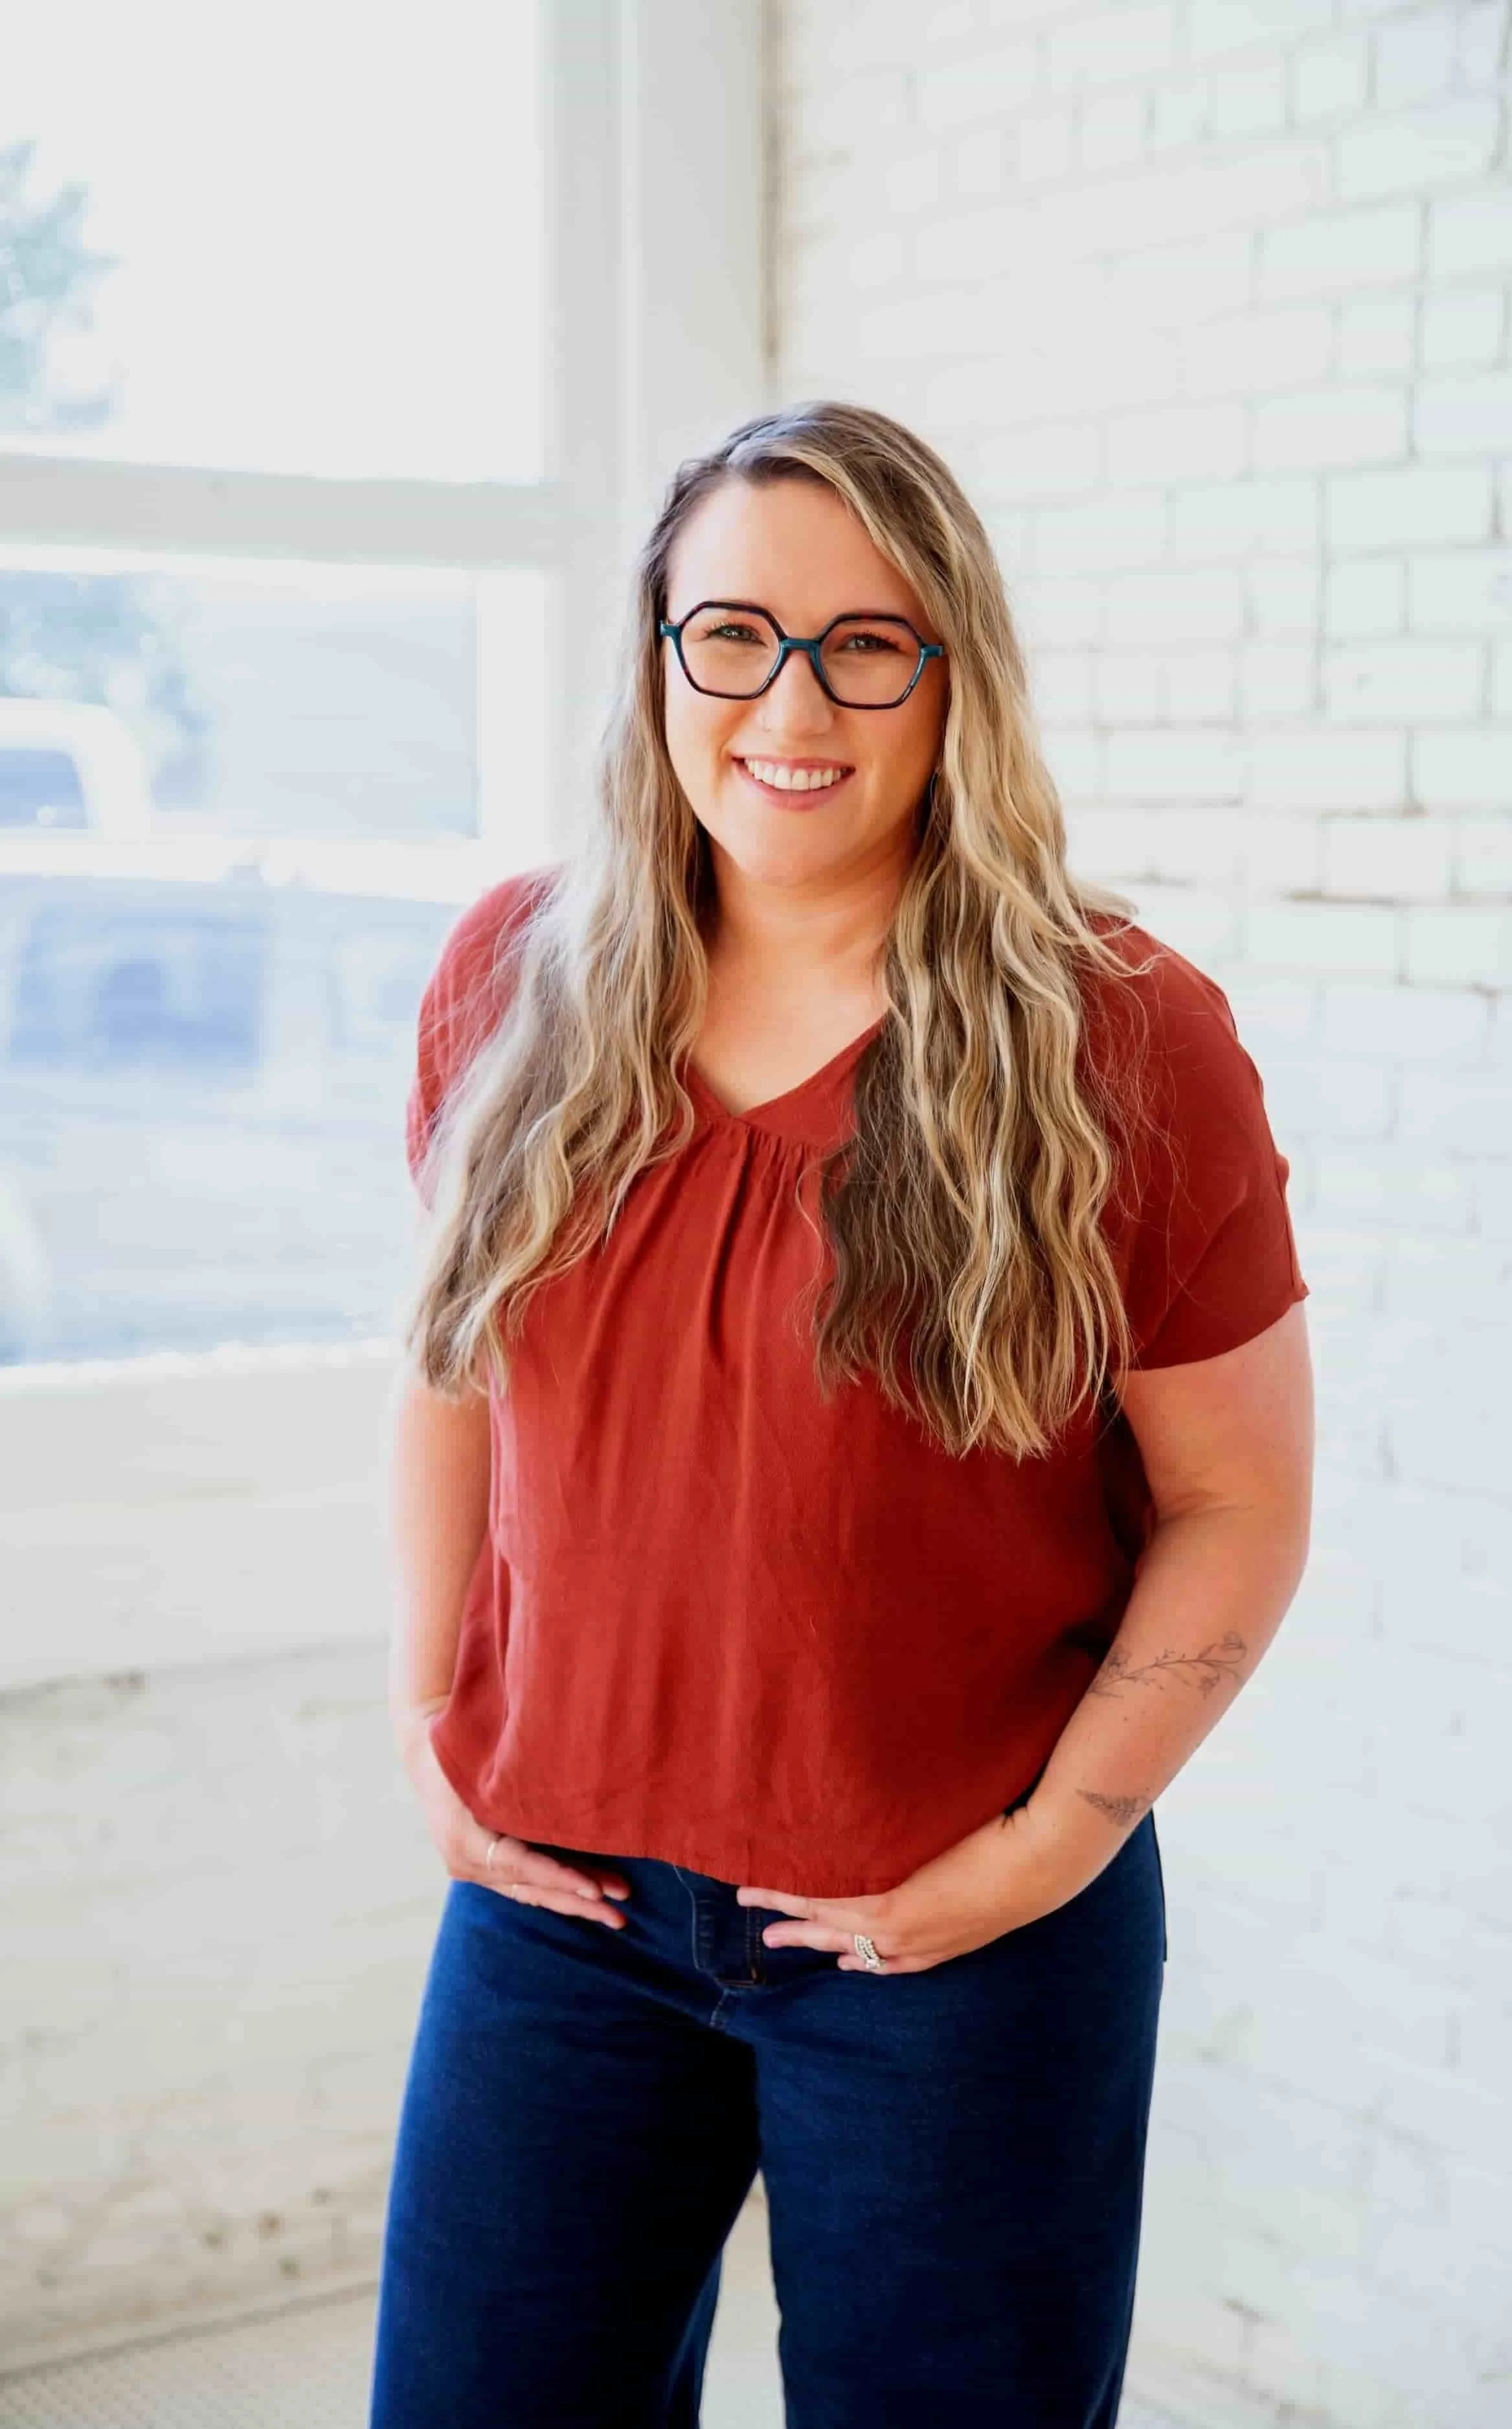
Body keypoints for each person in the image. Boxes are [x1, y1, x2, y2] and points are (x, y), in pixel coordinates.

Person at [368, 399, 1313, 2429]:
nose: (790, 702)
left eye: (863, 643)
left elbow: (1237, 1498)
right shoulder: (510, 973)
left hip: (948, 1941)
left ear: (950, 672)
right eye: (734, 633)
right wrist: (429, 1705)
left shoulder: (1119, 1036)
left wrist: (1052, 1844)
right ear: (655, 658)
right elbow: (455, 1366)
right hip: (562, 1916)